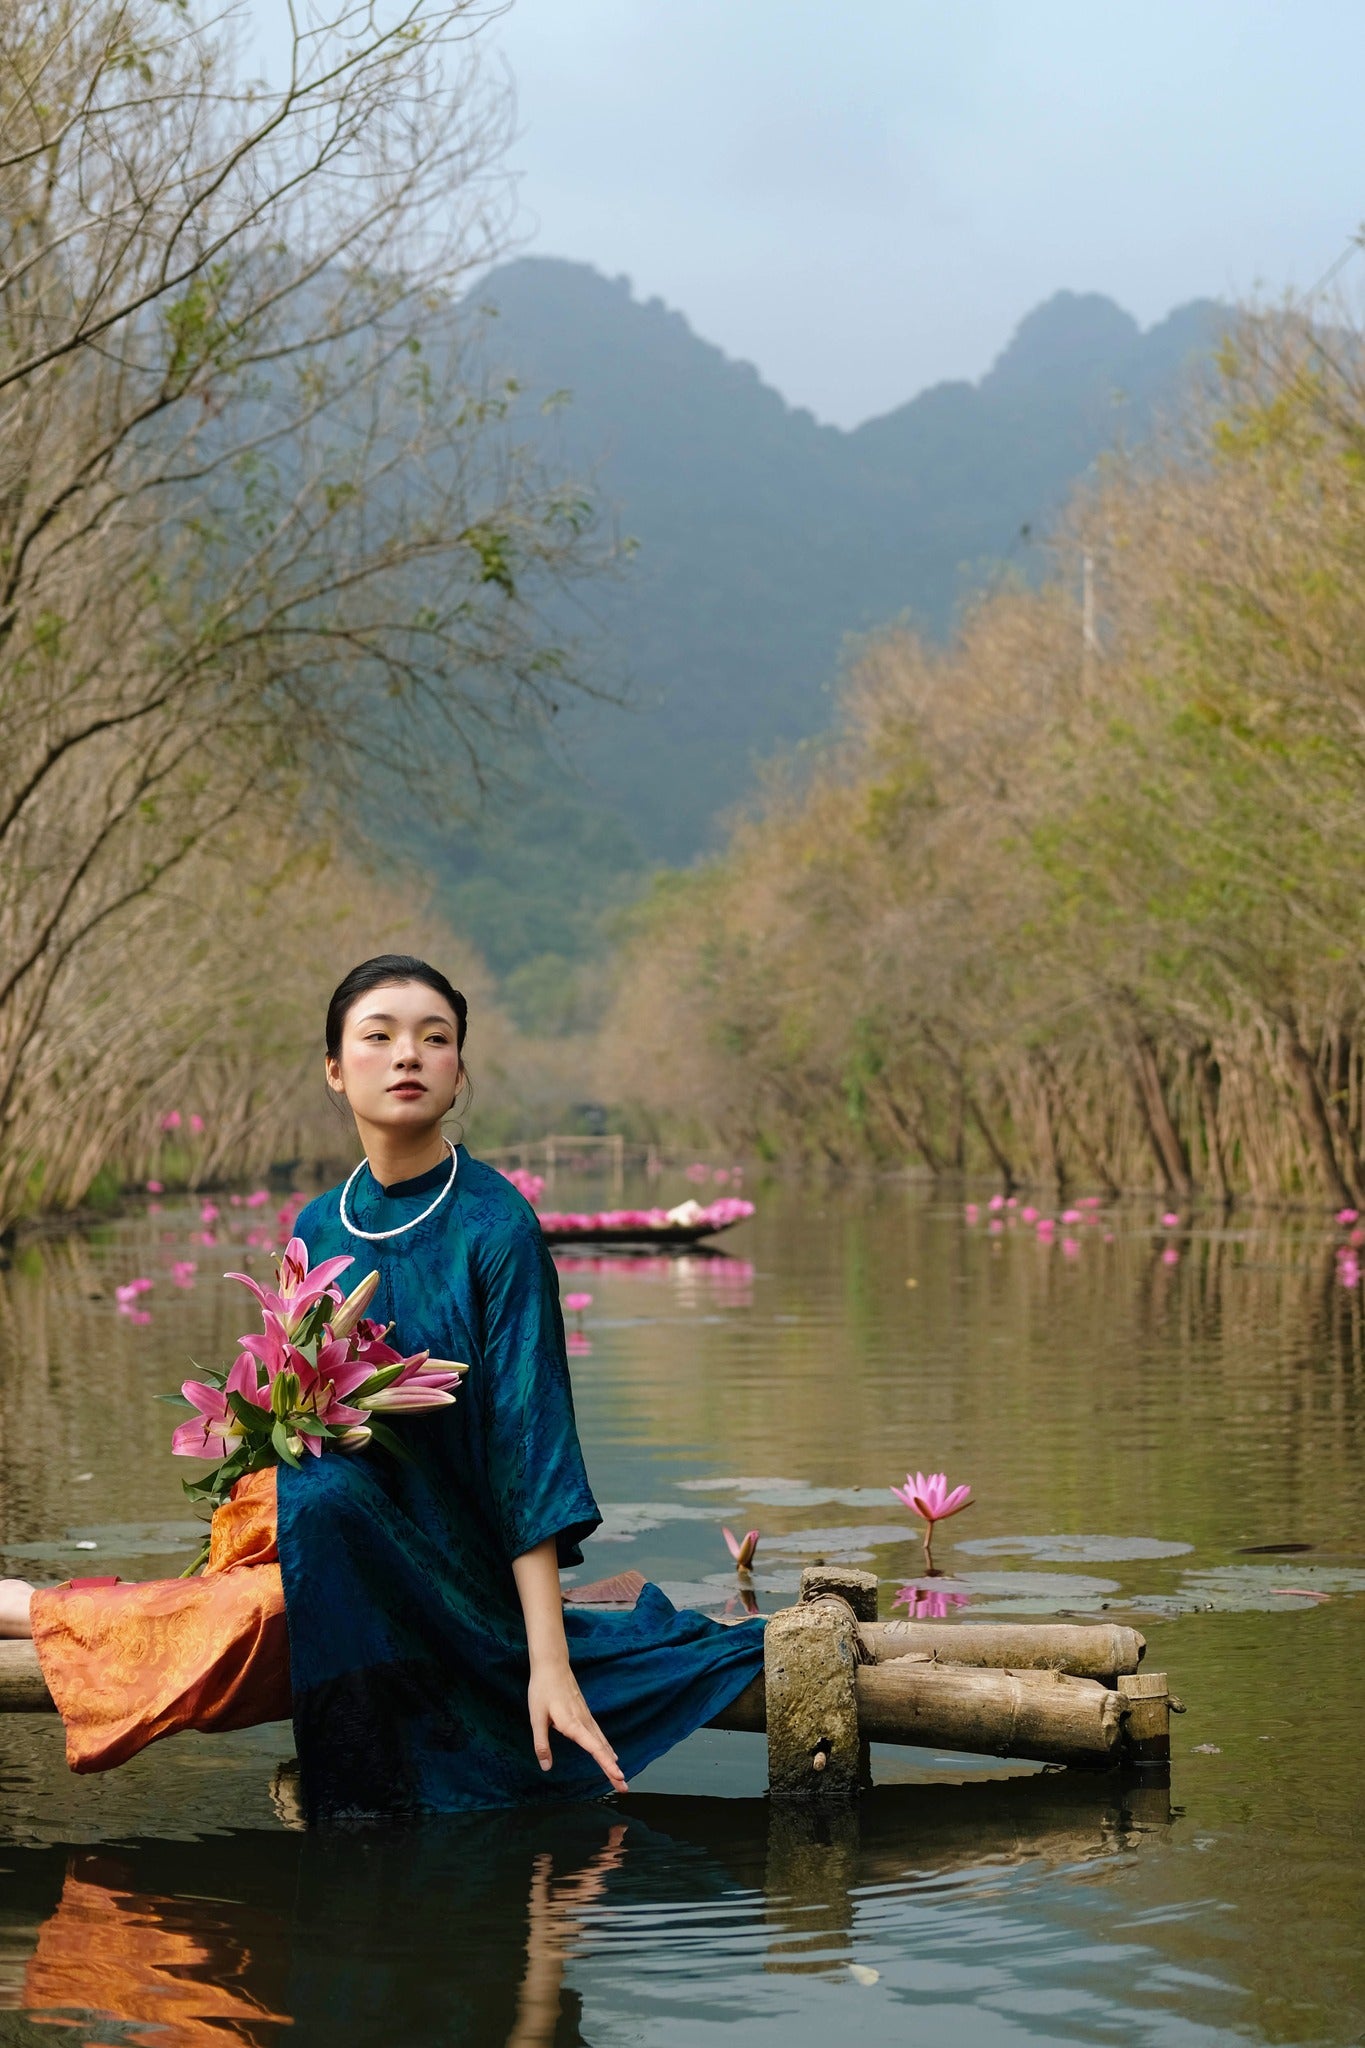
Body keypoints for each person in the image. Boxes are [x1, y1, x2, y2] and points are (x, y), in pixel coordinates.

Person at [0, 955, 765, 1821]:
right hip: (332, 1545)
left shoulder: (496, 1227)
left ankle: (34, 1610)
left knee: (269, 1589)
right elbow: (293, 1406)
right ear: (335, 1069)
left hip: (453, 1571)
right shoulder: (317, 1226)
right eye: (380, 1036)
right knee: (298, 1526)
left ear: (458, 1072)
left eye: (434, 1039)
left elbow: (529, 1454)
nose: (408, 1054)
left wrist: (547, 1665)